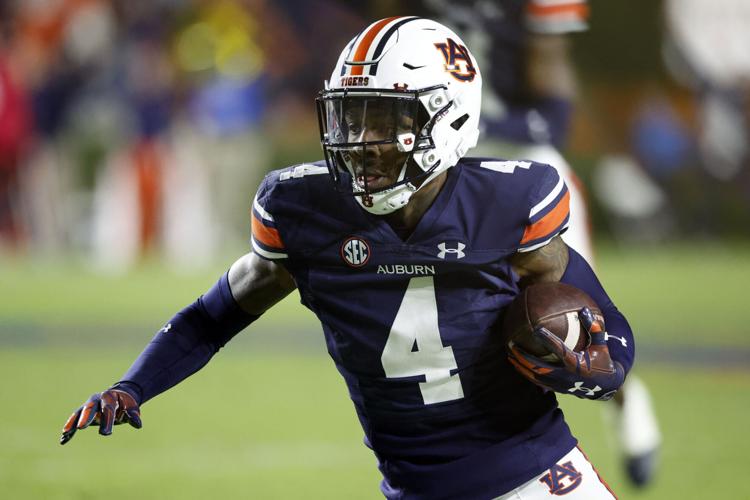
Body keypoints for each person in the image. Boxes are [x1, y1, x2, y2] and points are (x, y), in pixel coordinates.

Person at [60, 18, 632, 499]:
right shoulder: (304, 211)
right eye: (351, 116)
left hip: (537, 478)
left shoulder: (508, 204)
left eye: (384, 121)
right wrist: (132, 386)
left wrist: (596, 371)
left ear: (448, 117)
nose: (360, 141)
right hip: (412, 488)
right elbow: (211, 318)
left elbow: (608, 329)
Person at [407, 0, 661, 486]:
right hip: (468, 154)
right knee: (542, 311)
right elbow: (548, 73)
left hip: (481, 156)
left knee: (566, 313)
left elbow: (547, 73)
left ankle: (623, 401)